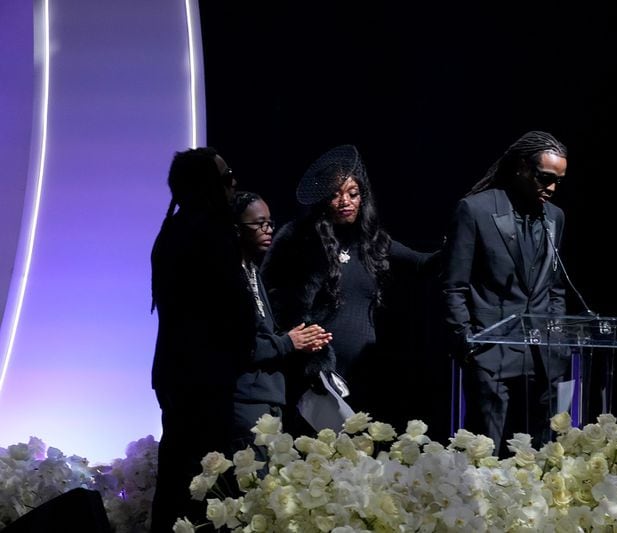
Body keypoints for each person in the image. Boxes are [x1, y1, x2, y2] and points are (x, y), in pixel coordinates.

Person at [262, 144, 437, 427]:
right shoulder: (300, 241)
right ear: (322, 200)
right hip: (317, 381)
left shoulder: (372, 242)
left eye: (352, 194)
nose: (345, 201)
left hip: (365, 376)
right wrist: (313, 362)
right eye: (335, 195)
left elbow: (424, 264)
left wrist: (465, 239)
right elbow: (281, 302)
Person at [441, 130, 571, 456]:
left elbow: (554, 286)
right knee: (484, 457)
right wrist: (469, 344)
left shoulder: (555, 217)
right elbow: (454, 285)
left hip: (544, 356)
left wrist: (557, 336)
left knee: (542, 457)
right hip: (491, 352)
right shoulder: (476, 210)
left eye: (558, 180)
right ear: (521, 168)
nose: (552, 188)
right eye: (545, 178)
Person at [149, 147, 253, 531]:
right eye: (227, 178)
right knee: (205, 482)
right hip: (204, 378)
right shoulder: (212, 233)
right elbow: (230, 309)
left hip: (176, 374)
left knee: (176, 473)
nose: (234, 184)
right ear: (209, 186)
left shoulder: (171, 232)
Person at [230, 190, 332, 458]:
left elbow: (265, 334)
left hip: (268, 399)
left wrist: (301, 341)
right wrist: (289, 342)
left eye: (270, 223)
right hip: (245, 403)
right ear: (235, 228)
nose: (267, 230)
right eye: (258, 224)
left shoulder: (253, 271)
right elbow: (241, 345)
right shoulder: (231, 276)